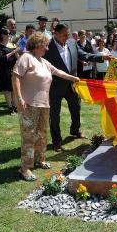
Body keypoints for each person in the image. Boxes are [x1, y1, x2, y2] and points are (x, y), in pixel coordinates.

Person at [12, 33, 80, 181]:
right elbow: (16, 76)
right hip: (29, 104)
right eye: (46, 45)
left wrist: (73, 78)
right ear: (37, 45)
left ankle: (40, 159)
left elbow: (57, 72)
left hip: (44, 104)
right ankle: (25, 168)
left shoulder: (43, 61)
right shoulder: (26, 57)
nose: (48, 49)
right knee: (28, 136)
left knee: (42, 133)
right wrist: (19, 98)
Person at [44, 23, 110, 151]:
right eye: (64, 34)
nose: (67, 37)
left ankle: (75, 130)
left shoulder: (72, 43)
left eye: (68, 34)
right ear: (55, 34)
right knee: (54, 114)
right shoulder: (47, 47)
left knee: (76, 108)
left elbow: (84, 55)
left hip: (72, 84)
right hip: (55, 86)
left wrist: (101, 57)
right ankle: (56, 140)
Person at [0, 27, 20, 113]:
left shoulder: (13, 45)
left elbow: (18, 58)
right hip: (4, 69)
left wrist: (17, 54)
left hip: (13, 69)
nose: (8, 35)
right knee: (7, 89)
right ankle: (9, 107)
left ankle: (15, 106)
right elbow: (0, 59)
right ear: (2, 35)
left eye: (9, 33)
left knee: (14, 88)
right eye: (6, 33)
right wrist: (13, 52)